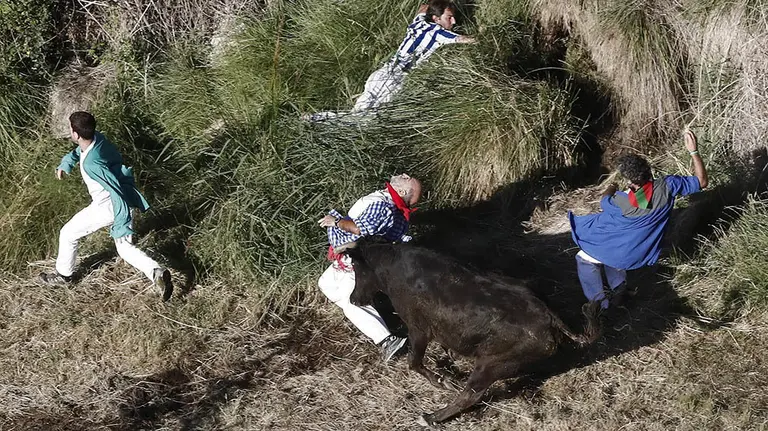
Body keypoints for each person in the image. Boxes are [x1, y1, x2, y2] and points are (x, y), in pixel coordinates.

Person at [570, 129, 708, 315]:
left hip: (624, 251)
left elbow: (604, 201)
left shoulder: (621, 202)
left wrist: (611, 187)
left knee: (584, 259)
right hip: (641, 251)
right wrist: (693, 151)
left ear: (630, 181)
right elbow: (702, 181)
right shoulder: (668, 185)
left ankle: (600, 305)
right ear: (648, 171)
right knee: (614, 250)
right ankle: (619, 288)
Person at [39, 111, 174, 301]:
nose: (69, 131)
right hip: (122, 199)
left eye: (70, 129)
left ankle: (64, 276)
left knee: (68, 233)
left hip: (110, 206)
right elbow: (79, 151)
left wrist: (121, 220)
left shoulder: (92, 165)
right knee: (124, 248)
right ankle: (156, 272)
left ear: (76, 134)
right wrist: (66, 163)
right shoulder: (97, 139)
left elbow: (115, 190)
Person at [305, 0, 475, 121]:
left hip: (381, 74)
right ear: (436, 19)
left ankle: (317, 120)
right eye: (449, 17)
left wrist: (439, 5)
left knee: (358, 115)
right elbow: (466, 40)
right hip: (394, 80)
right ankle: (316, 121)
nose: (453, 21)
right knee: (363, 120)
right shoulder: (439, 32)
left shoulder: (419, 21)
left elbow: (424, 7)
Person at [317, 173, 422, 362]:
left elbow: (359, 229)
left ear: (402, 191)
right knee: (326, 284)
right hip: (357, 255)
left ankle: (388, 340)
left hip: (358, 258)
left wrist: (336, 222)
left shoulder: (383, 206)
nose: (404, 175)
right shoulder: (387, 202)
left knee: (352, 302)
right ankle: (381, 318)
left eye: (407, 179)